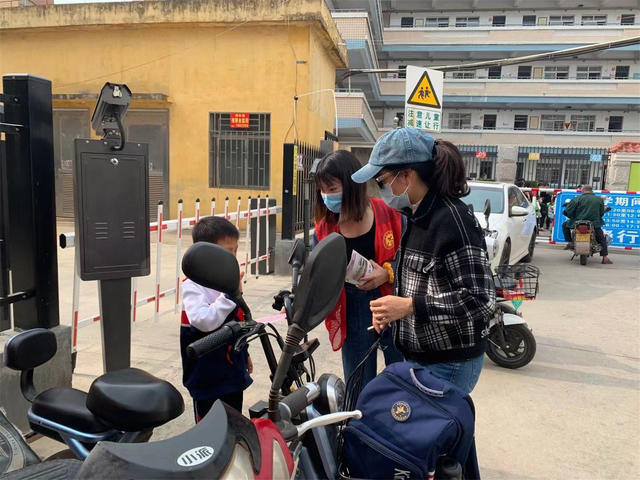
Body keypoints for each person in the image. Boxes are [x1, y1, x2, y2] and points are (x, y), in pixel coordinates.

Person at [351, 129, 495, 395]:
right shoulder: (416, 215)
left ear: (407, 176)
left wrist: (408, 306)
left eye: (383, 181)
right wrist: (392, 310)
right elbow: (424, 279)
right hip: (422, 357)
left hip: (448, 362)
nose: (382, 190)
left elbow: (480, 300)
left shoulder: (452, 220)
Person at [314, 150, 404, 387]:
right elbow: (316, 272)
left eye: (332, 189)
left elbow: (414, 261)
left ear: (352, 184)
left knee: (402, 375)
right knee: (359, 380)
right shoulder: (324, 227)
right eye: (322, 190)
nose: (326, 196)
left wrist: (387, 273)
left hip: (392, 302)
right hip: (352, 306)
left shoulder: (389, 213)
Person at [180, 216, 253, 422]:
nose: (233, 259)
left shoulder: (227, 282)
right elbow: (204, 321)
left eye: (235, 251)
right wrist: (229, 296)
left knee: (234, 423)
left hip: (232, 373)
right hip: (207, 377)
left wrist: (245, 353)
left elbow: (240, 320)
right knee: (210, 427)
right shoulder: (193, 286)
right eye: (227, 253)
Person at [561, 185, 612, 264]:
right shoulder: (599, 199)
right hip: (594, 223)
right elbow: (601, 213)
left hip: (577, 223)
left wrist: (571, 216)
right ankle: (605, 257)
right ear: (591, 191)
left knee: (564, 225)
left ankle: (570, 242)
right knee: (601, 238)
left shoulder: (577, 199)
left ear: (583, 190)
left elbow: (568, 212)